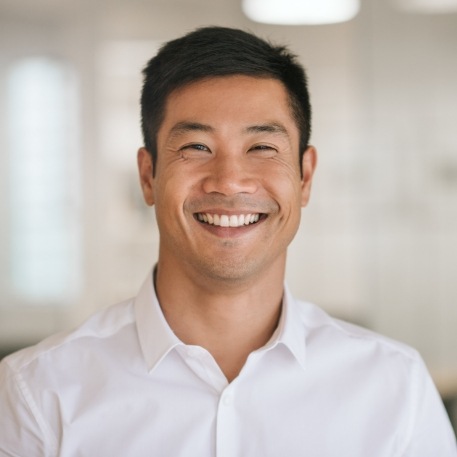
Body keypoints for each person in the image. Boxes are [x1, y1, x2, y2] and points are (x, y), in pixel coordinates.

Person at [0, 26, 455, 456]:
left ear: (305, 176)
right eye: (196, 147)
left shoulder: (394, 386)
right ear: (148, 176)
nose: (229, 181)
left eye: (262, 148)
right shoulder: (38, 392)